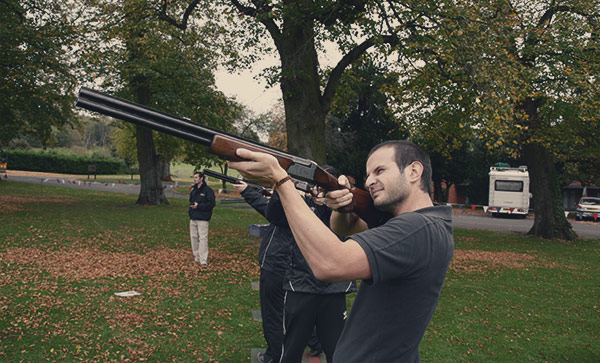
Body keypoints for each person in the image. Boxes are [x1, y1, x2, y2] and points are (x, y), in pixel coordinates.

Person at [229, 140, 454, 362]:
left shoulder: (415, 229)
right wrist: (343, 206)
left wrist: (282, 182)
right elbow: (342, 228)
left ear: (414, 171)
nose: (370, 182)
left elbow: (330, 264)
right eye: (368, 175)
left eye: (380, 171)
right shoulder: (420, 222)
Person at [232, 181, 326, 363]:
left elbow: (270, 213)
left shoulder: (296, 204)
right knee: (294, 311)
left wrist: (247, 192)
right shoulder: (311, 204)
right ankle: (316, 341)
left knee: (273, 315)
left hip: (277, 264)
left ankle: (274, 357)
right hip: (293, 264)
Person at [265, 187, 355, 363]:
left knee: (338, 351)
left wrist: (329, 205)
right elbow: (274, 216)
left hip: (334, 289)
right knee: (291, 350)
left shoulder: (343, 211)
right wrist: (281, 187)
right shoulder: (300, 206)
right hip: (300, 285)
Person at [188, 171, 215, 266]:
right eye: (194, 177)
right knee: (194, 237)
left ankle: (203, 259)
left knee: (203, 238)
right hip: (193, 217)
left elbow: (211, 204)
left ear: (201, 178)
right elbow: (190, 201)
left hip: (203, 218)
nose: (194, 179)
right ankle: (197, 256)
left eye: (196, 177)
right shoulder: (193, 189)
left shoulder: (208, 191)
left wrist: (199, 206)